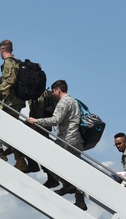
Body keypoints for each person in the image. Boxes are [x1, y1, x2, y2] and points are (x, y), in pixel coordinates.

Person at [27, 80, 86, 210]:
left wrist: (37, 121)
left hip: (67, 140)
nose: (53, 94)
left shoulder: (64, 102)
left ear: (58, 90)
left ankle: (66, 184)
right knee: (76, 170)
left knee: (47, 158)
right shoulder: (74, 101)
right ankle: (80, 199)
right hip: (77, 140)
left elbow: (55, 120)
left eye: (54, 91)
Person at [0, 40, 34, 172]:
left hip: (10, 102)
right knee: (10, 131)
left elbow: (10, 81)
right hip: (15, 101)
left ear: (2, 49)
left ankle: (2, 152)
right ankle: (19, 159)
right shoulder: (17, 62)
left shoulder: (9, 62)